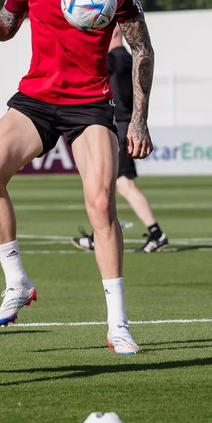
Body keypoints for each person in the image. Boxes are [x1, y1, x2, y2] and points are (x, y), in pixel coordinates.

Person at [0, 0, 155, 356]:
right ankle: (17, 281)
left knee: (100, 206)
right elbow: (8, 25)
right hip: (36, 99)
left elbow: (142, 48)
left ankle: (117, 323)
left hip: (90, 104)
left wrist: (138, 120)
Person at [72, 24, 168, 254]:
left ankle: (156, 232)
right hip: (122, 124)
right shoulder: (125, 59)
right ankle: (99, 234)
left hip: (119, 126)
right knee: (108, 185)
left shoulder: (115, 59)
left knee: (123, 184)